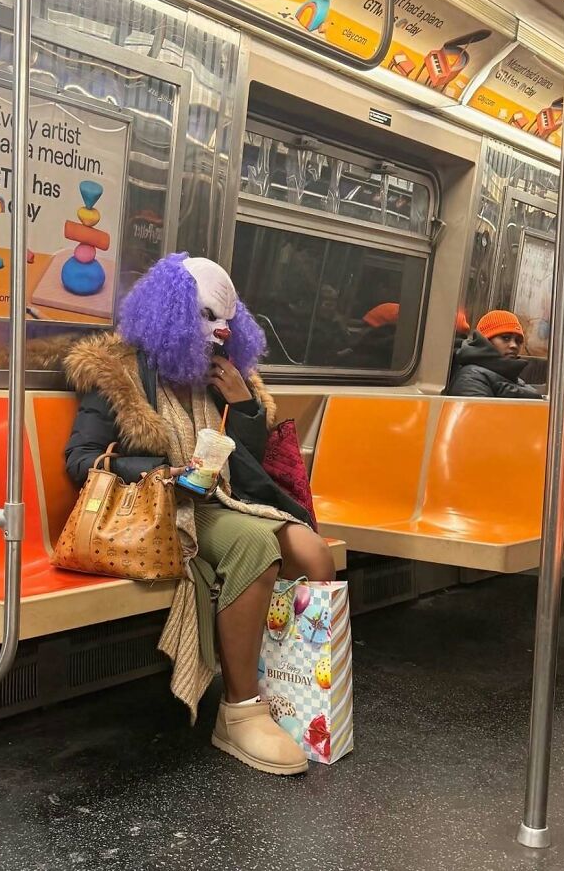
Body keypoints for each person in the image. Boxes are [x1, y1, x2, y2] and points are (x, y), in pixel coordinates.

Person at [63, 253, 335, 776]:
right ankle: (239, 709)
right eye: (209, 316)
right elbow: (81, 460)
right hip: (163, 510)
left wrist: (244, 406)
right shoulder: (118, 374)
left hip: (220, 498)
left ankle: (289, 686)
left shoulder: (220, 377)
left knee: (313, 553)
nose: (221, 330)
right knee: (257, 545)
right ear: (174, 314)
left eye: (228, 320)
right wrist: (164, 470)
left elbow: (246, 464)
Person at [448, 309, 564, 510]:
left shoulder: (511, 376)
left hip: (535, 453)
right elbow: (479, 438)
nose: (513, 345)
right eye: (505, 338)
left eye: (518, 340)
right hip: (517, 463)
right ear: (486, 340)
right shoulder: (472, 377)